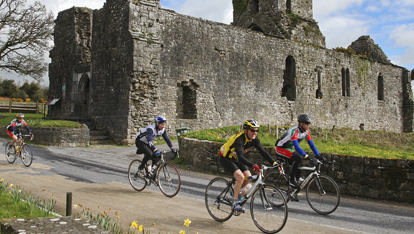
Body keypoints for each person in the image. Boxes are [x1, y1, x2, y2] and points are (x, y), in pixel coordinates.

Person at [219, 119, 278, 211]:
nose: (255, 132)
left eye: (256, 130)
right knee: (240, 177)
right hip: (226, 158)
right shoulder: (239, 140)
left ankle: (235, 191)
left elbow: (263, 152)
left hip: (236, 158)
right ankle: (235, 203)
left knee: (249, 177)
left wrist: (274, 163)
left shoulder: (254, 139)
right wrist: (253, 165)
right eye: (252, 130)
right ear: (246, 130)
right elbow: (241, 157)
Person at [275, 114, 325, 190]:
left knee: (298, 171)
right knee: (297, 157)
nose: (308, 125)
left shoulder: (306, 132)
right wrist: (308, 157)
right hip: (280, 148)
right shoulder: (294, 131)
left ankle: (292, 192)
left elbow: (311, 145)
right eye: (307, 123)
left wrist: (318, 155)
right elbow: (297, 147)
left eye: (309, 123)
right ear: (301, 124)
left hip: (288, 148)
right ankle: (291, 180)